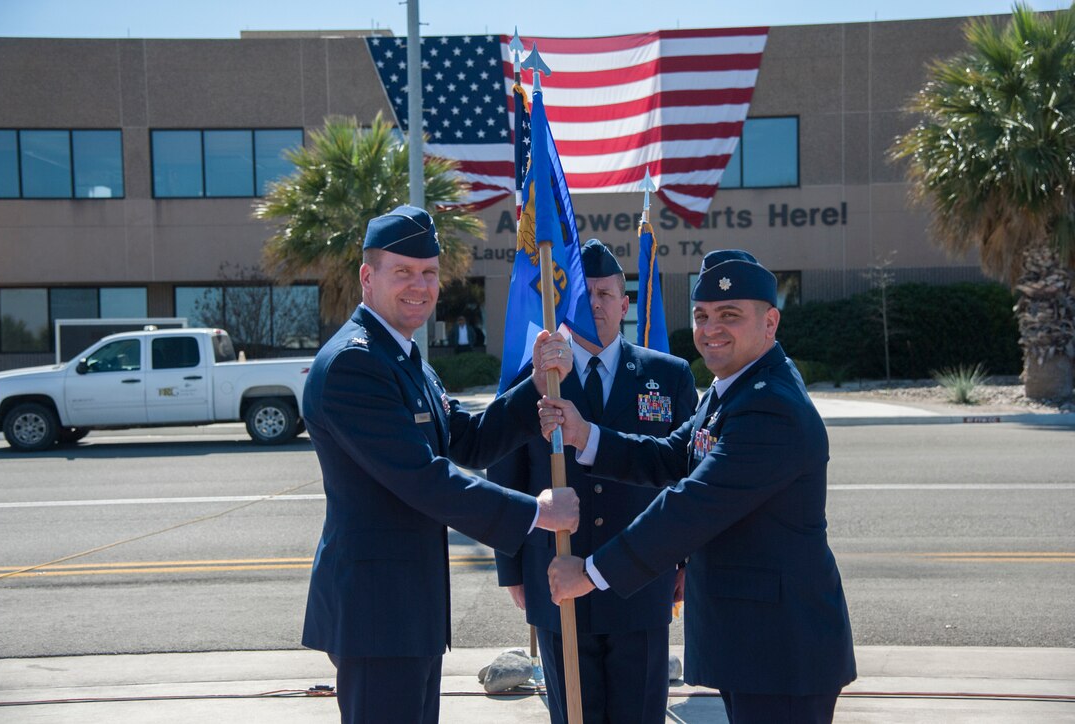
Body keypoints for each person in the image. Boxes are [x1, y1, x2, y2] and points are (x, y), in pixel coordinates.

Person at [541, 250, 856, 724]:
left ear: (770, 323)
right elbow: (671, 456)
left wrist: (589, 573)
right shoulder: (733, 388)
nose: (711, 329)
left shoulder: (771, 407)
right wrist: (586, 436)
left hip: (782, 650)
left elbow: (690, 507)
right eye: (702, 315)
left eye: (730, 315)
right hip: (754, 642)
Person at [300, 205, 580, 724]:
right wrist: (537, 513)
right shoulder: (355, 363)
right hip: (377, 613)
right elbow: (424, 479)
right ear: (367, 277)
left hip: (407, 609)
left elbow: (467, 441)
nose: (420, 286)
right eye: (403, 271)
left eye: (428, 273)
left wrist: (537, 385)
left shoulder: (404, 358)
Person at [490, 239, 698, 723]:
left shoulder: (667, 376)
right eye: (586, 296)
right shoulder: (535, 379)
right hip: (556, 576)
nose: (597, 305)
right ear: (568, 305)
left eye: (607, 294)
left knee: (639, 713)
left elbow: (689, 478)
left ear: (625, 305)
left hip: (641, 580)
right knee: (574, 715)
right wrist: (512, 569)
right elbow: (506, 475)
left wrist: (687, 561)